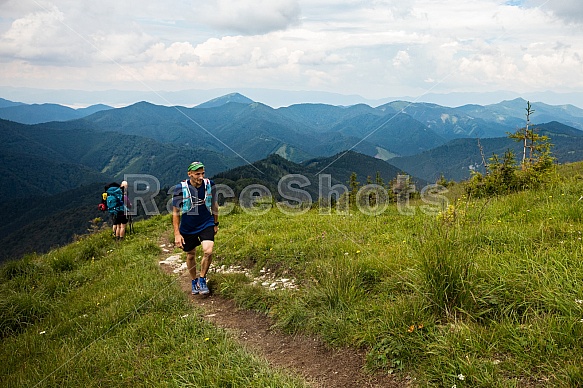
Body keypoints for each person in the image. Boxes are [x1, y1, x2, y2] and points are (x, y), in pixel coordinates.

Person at [172, 161, 219, 295]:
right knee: (191, 254)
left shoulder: (210, 185)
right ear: (190, 174)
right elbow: (175, 212)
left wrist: (215, 223)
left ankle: (202, 278)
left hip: (206, 222)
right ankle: (194, 281)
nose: (201, 177)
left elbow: (214, 205)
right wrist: (177, 234)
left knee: (208, 251)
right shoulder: (180, 188)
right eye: (197, 174)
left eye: (203, 173)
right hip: (188, 225)